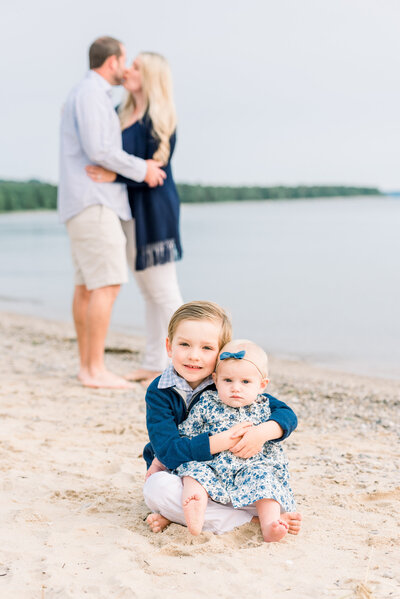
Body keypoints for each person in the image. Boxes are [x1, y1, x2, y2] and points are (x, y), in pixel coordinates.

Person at [58, 37, 166, 389]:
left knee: (87, 286)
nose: (127, 67)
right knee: (106, 283)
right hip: (94, 201)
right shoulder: (91, 95)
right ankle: (94, 369)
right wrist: (144, 169)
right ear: (113, 62)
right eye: (125, 60)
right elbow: (100, 149)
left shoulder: (90, 94)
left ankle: (87, 367)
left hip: (84, 202)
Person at [142, 301, 302, 536]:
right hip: (184, 474)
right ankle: (251, 522)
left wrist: (263, 432)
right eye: (184, 344)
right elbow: (167, 452)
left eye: (207, 348)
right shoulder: (159, 392)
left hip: (234, 473)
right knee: (157, 489)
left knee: (266, 485)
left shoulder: (228, 382)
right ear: (169, 346)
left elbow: (285, 413)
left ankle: (179, 517)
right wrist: (222, 441)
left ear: (221, 352)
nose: (194, 356)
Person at [85, 52, 183, 388]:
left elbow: (157, 174)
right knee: (147, 291)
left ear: (152, 76)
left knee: (165, 291)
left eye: (137, 66)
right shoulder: (120, 112)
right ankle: (154, 363)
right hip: (125, 209)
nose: (128, 70)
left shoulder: (161, 117)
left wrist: (113, 175)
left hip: (154, 210)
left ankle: (190, 366)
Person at [175, 339, 296, 542]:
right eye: (228, 381)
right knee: (194, 472)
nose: (235, 388)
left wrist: (262, 433)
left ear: (262, 385)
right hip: (213, 465)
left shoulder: (265, 407)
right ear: (215, 379)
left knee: (265, 481)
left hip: (252, 467)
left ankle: (270, 525)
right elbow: (186, 434)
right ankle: (195, 505)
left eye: (245, 382)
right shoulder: (206, 403)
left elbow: (289, 419)